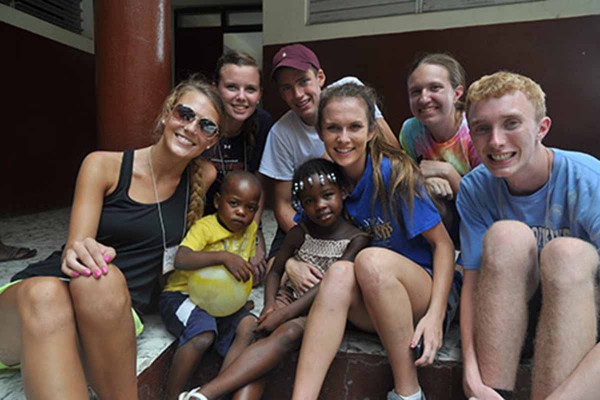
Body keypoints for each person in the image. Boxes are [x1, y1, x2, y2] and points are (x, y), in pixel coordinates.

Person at [0, 77, 224, 399]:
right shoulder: (103, 165)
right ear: (166, 114)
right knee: (49, 291)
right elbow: (77, 249)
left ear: (210, 143)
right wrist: (82, 251)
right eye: (185, 114)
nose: (191, 127)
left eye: (206, 126)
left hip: (112, 312)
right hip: (45, 296)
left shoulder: (203, 177)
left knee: (101, 280)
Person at [292, 83, 459, 400]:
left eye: (354, 127)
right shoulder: (326, 184)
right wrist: (290, 262)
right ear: (320, 132)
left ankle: (408, 393)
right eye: (333, 128)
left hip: (421, 291)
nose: (343, 138)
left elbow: (444, 246)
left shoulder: (392, 173)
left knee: (369, 259)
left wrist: (436, 315)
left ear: (371, 131)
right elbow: (298, 234)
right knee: (341, 272)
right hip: (374, 301)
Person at [456, 71, 600, 400]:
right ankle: (494, 394)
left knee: (567, 254)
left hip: (583, 310)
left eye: (511, 123)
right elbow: (472, 281)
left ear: (542, 128)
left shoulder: (589, 180)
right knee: (506, 236)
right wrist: (472, 374)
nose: (496, 141)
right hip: (514, 311)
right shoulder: (476, 187)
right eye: (482, 128)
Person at [179, 158, 370, 400]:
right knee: (257, 334)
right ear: (300, 205)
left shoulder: (357, 239)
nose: (320, 205)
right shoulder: (300, 233)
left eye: (327, 195)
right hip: (285, 300)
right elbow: (276, 271)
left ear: (343, 192)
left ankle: (206, 393)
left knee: (286, 332)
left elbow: (327, 287)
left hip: (321, 313)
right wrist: (270, 305)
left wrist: (284, 314)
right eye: (310, 201)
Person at [259, 43, 399, 294]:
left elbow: (392, 150)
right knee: (277, 271)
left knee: (365, 265)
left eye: (303, 82)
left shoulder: (350, 94)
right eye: (287, 89)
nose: (298, 94)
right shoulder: (280, 133)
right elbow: (282, 205)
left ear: (320, 77)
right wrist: (305, 246)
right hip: (309, 216)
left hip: (355, 203)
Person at [160, 171, 262, 400]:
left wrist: (238, 298)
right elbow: (181, 259)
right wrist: (223, 257)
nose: (241, 212)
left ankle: (217, 391)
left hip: (217, 304)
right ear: (217, 202)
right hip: (182, 296)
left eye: (250, 208)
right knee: (203, 334)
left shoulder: (250, 230)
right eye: (234, 203)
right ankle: (171, 396)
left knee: (249, 326)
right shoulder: (205, 228)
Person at [203, 51, 274, 282]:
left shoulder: (263, 124)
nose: (241, 97)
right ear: (215, 88)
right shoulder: (200, 121)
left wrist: (252, 238)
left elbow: (259, 186)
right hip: (203, 217)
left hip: (243, 216)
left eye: (250, 89)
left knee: (254, 275)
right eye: (232, 87)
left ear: (259, 94)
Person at [399, 53, 480, 246]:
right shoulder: (411, 131)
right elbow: (407, 177)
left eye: (435, 88)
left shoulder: (475, 132)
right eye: (416, 92)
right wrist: (424, 179)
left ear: (457, 93)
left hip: (478, 218)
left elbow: (484, 203)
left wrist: (448, 173)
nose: (424, 98)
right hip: (440, 218)